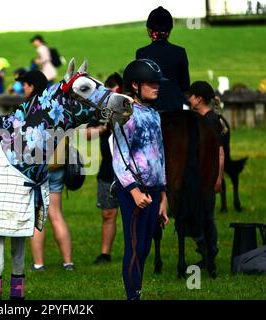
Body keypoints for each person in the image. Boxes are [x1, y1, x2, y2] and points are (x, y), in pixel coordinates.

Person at [112, 59, 169, 300]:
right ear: (135, 85)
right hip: (134, 192)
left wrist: (164, 196)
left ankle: (137, 293)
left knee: (145, 248)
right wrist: (134, 191)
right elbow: (119, 157)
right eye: (151, 83)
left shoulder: (154, 114)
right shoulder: (127, 114)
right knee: (134, 248)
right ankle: (132, 297)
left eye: (158, 82)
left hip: (154, 192)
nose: (157, 86)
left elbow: (160, 156)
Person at [19, 70, 75, 272]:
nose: (22, 88)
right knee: (56, 214)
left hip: (37, 167)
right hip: (57, 165)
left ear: (32, 86)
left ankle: (38, 264)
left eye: (24, 85)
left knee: (38, 216)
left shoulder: (29, 108)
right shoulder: (57, 104)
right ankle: (68, 262)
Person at [86, 73, 123, 264]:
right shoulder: (100, 111)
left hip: (129, 169)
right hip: (108, 169)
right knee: (108, 213)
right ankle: (105, 254)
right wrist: (102, 129)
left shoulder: (129, 108)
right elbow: (85, 134)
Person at [188, 80, 225, 263]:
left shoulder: (210, 121)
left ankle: (210, 249)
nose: (189, 99)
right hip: (197, 176)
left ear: (199, 99)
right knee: (195, 213)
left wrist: (218, 178)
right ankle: (206, 248)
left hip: (208, 177)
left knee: (207, 216)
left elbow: (219, 151)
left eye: (191, 96)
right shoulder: (198, 119)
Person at [136, 6, 190, 111]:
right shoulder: (180, 52)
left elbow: (139, 86)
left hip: (152, 107)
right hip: (176, 106)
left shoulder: (141, 53)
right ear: (169, 30)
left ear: (150, 30)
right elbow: (185, 85)